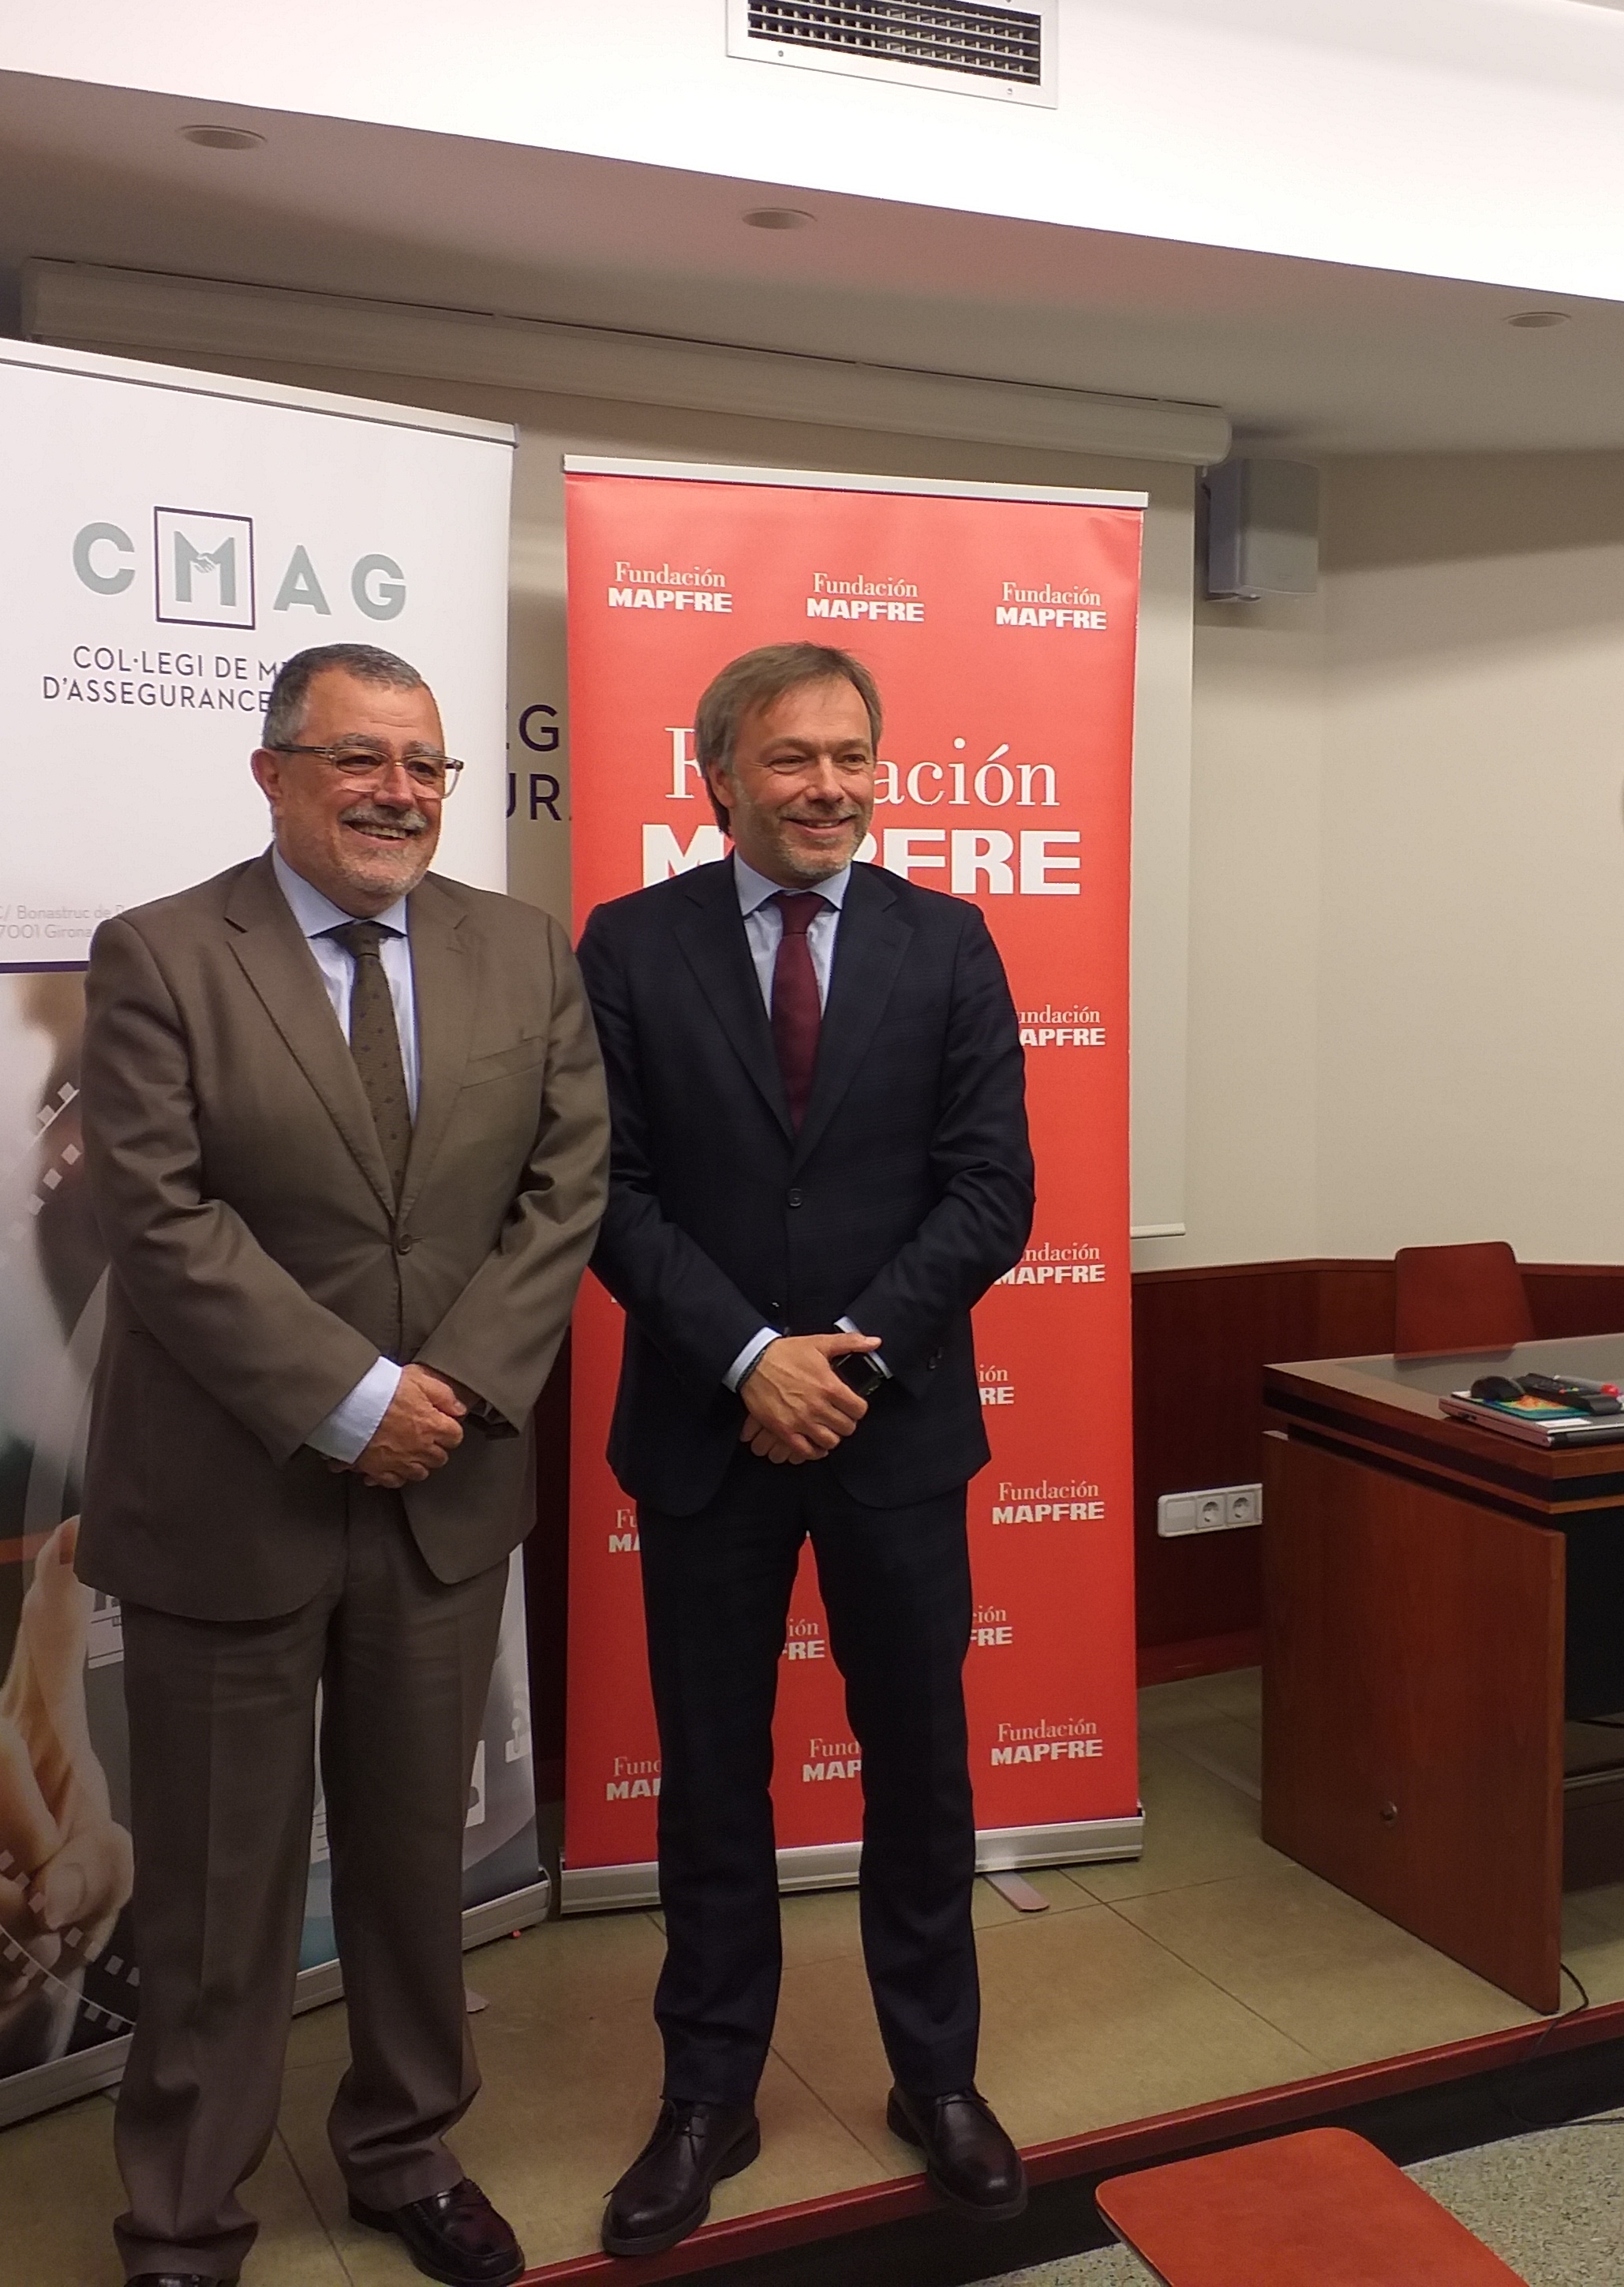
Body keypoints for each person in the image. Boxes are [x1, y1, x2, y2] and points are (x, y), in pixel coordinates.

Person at [77, 642, 607, 2287]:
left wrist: (450, 1390)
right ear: (273, 774)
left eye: (425, 765)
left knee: (413, 1867)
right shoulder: (164, 953)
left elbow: (567, 1185)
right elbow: (156, 1216)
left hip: (445, 1488)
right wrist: (347, 1396)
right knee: (217, 1892)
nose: (398, 793)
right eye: (358, 759)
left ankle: (406, 2150)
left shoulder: (522, 950)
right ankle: (184, 2214)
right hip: (229, 1500)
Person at [578, 641, 1037, 2259]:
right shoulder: (629, 945)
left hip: (891, 1430)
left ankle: (939, 2077)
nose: (828, 786)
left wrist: (845, 1354)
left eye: (852, 755)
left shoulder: (947, 942)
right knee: (713, 1779)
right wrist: (748, 1358)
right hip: (708, 1430)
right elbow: (607, 1191)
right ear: (719, 775)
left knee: (920, 1770)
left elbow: (992, 1190)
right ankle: (708, 2092)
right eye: (791, 758)